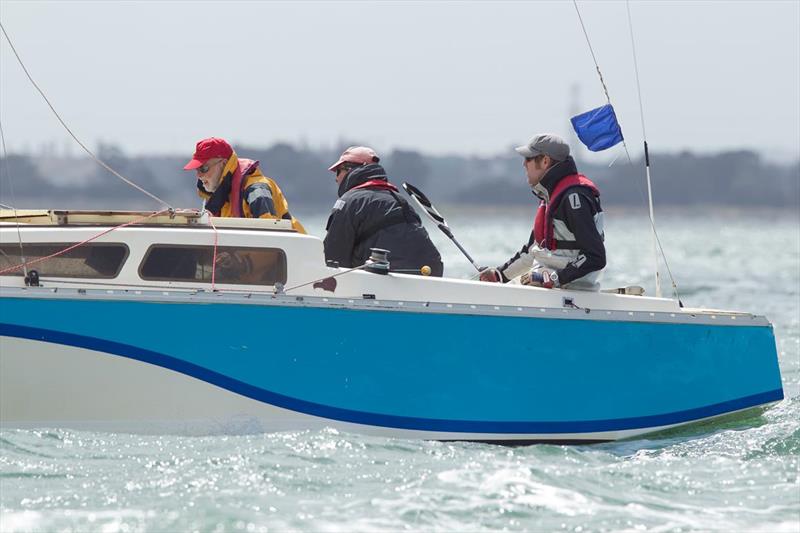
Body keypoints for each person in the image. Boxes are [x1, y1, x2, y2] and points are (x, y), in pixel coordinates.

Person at [479, 133, 605, 290]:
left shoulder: (574, 198)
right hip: (548, 286)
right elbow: (533, 251)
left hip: (569, 291)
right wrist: (499, 275)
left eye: (529, 158)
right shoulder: (550, 196)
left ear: (545, 161)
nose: (524, 164)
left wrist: (554, 278)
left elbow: (596, 257)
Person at [324, 146, 443, 276]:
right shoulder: (400, 200)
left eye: (338, 172)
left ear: (349, 170)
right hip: (430, 274)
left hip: (384, 282)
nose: (336, 178)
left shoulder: (348, 202)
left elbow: (333, 257)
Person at [183, 137, 305, 233]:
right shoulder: (221, 200)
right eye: (197, 170)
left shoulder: (257, 190)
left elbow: (270, 237)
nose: (199, 175)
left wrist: (239, 260)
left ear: (223, 164)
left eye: (204, 168)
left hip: (298, 260)